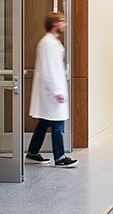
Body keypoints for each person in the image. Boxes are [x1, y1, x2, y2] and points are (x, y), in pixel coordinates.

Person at [25, 12, 77, 167]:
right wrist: (57, 91)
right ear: (55, 24)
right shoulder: (48, 43)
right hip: (51, 93)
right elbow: (49, 71)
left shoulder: (52, 42)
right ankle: (60, 158)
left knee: (44, 123)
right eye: (62, 21)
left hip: (51, 92)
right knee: (57, 125)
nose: (64, 24)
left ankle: (32, 153)